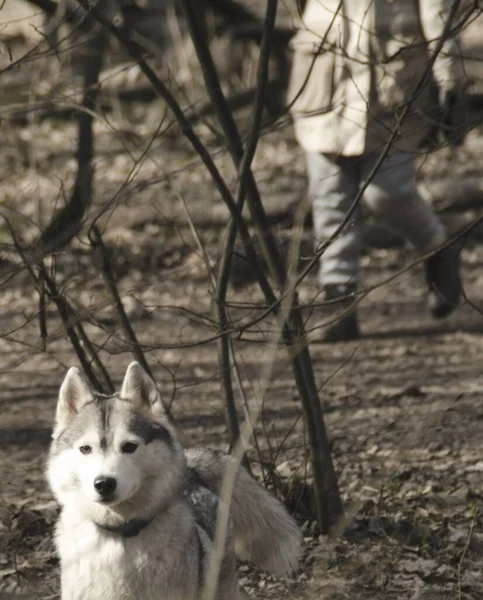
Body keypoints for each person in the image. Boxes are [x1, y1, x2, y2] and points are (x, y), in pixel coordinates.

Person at [288, 0, 471, 341]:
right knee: (329, 199)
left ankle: (437, 246)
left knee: (387, 192)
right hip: (325, 83)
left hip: (396, 89)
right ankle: (340, 306)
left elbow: (440, 14)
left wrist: (450, 79)